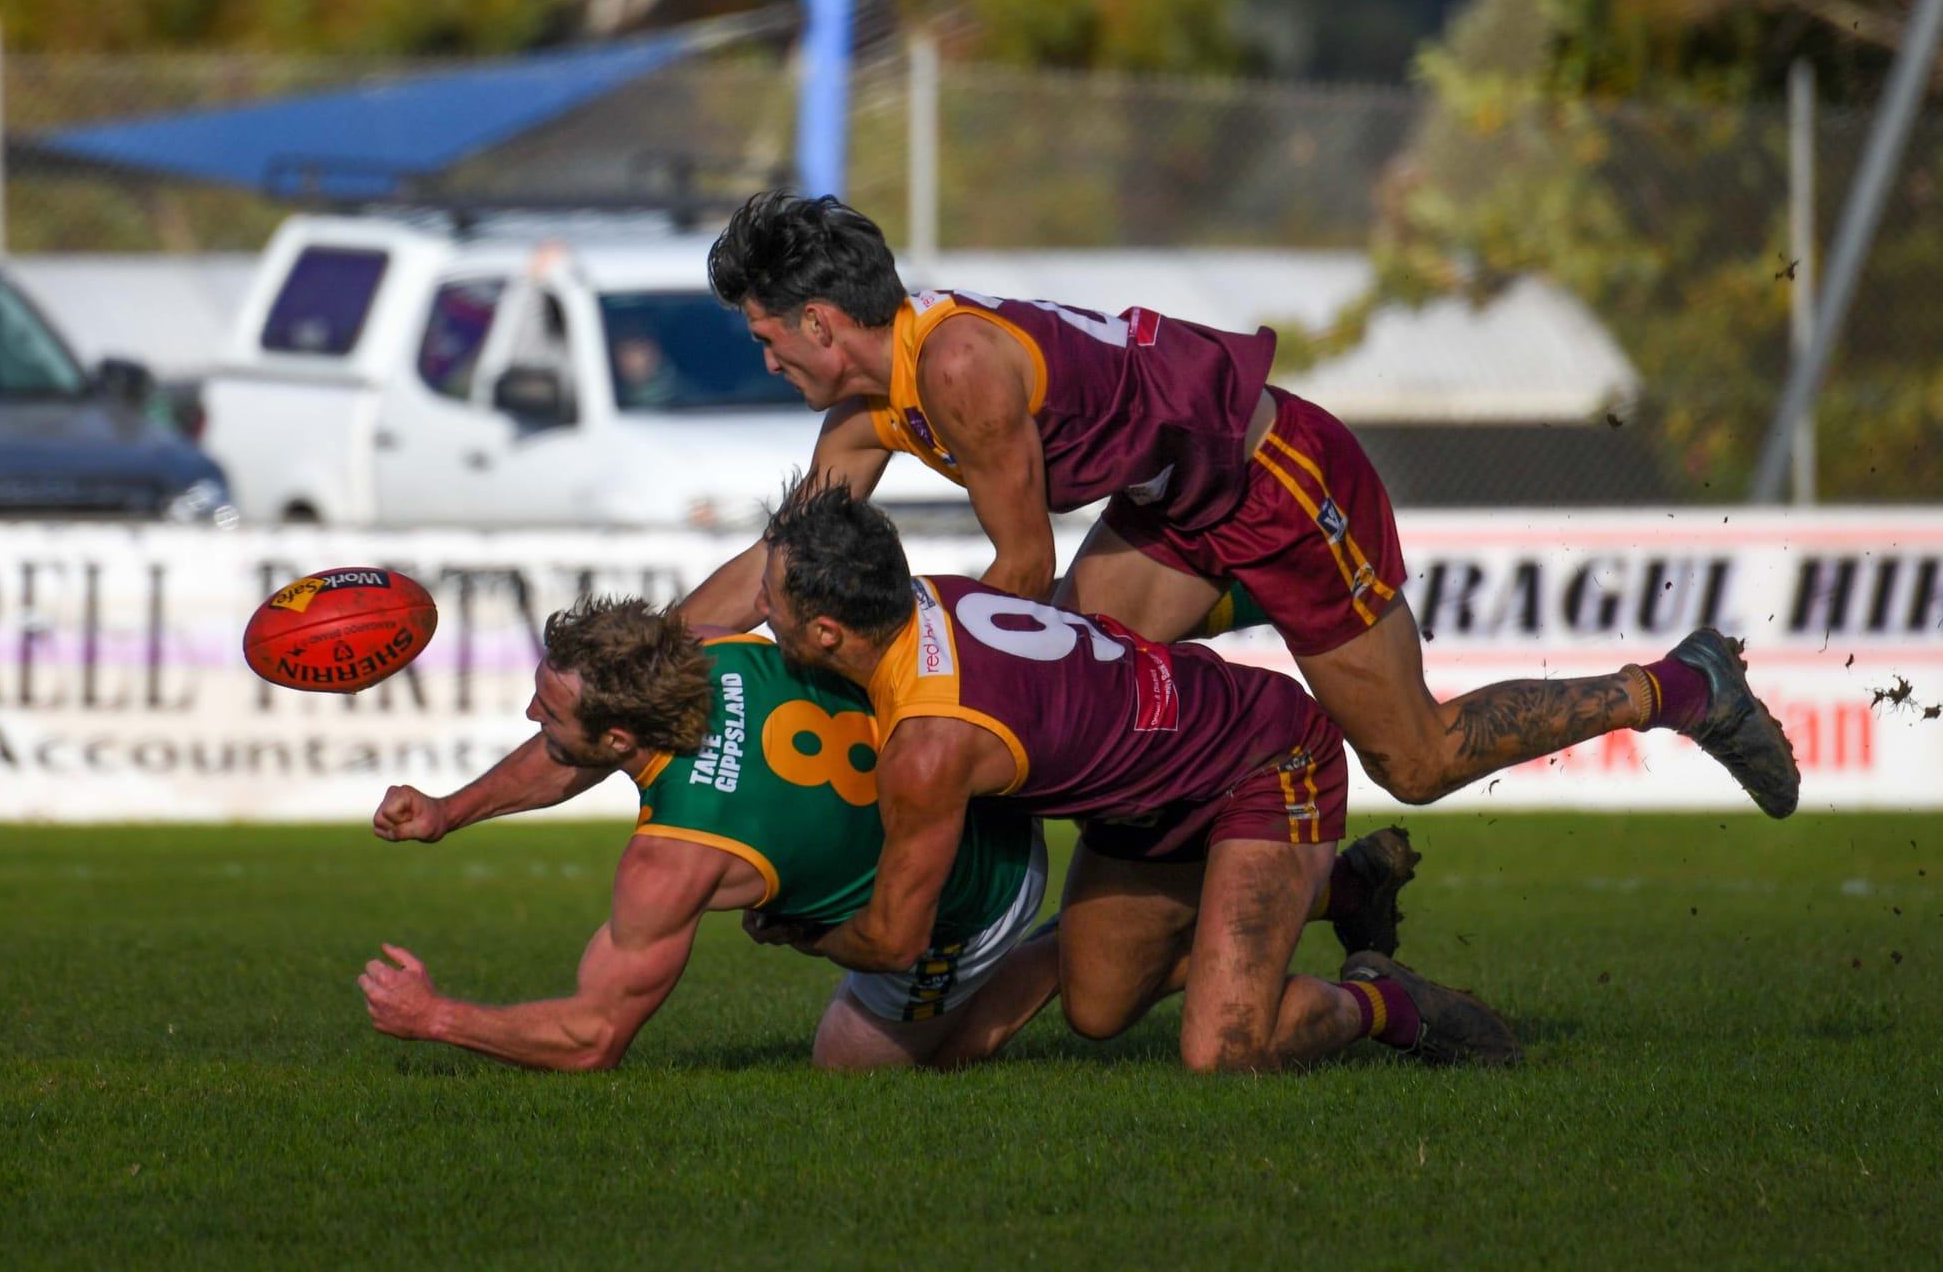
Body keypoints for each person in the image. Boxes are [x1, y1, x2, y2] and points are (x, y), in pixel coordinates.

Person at [683, 190, 1798, 822]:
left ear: (824, 323)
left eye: (767, 336)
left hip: (1281, 486)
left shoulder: (960, 371)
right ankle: (1258, 870)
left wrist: (913, 727)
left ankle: (1678, 685)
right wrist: (650, 653)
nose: (766, 358)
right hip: (1175, 509)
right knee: (1077, 701)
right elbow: (776, 571)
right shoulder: (865, 411)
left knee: (1412, 762)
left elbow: (1017, 576)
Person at [750, 480, 1520, 1072]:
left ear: (827, 631)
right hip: (1153, 802)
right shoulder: (934, 597)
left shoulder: (930, 744)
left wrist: (799, 927)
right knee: (1096, 1009)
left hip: (1263, 761)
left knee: (1224, 1053)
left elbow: (892, 941)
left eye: (770, 600)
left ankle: (1385, 1003)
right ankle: (1343, 887)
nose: (760, 610)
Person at [357, 595, 1057, 1073]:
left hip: (973, 889)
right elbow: (580, 748)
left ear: (621, 735)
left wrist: (436, 1017)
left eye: (550, 706)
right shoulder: (712, 654)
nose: (532, 710)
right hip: (976, 794)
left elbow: (593, 1036)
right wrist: (449, 811)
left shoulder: (675, 855)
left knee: (852, 1071)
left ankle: (1065, 951)